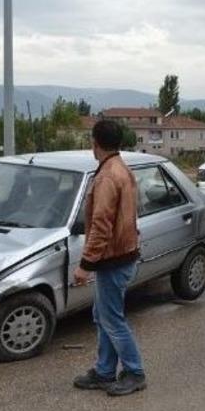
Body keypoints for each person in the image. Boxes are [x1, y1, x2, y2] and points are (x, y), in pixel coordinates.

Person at [72, 120, 146, 396]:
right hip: (122, 254)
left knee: (112, 319)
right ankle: (104, 371)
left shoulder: (107, 176)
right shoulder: (122, 169)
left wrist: (84, 265)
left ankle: (135, 372)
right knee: (103, 316)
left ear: (95, 143)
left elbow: (101, 225)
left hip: (113, 259)